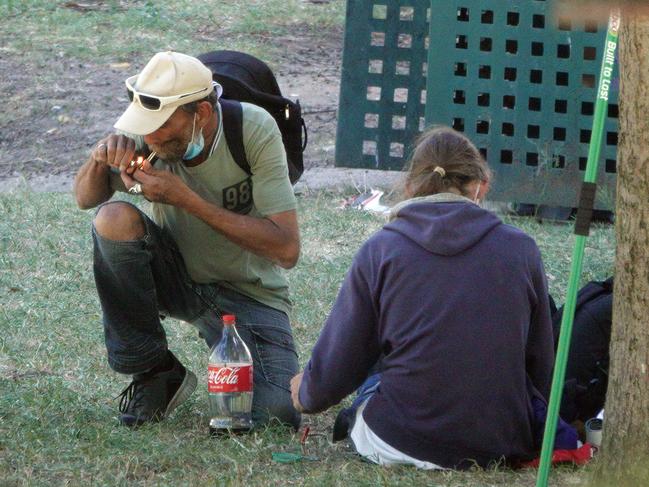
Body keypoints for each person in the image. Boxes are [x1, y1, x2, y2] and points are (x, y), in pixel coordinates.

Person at [290, 127, 555, 469]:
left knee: (377, 364)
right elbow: (542, 367)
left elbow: (342, 360)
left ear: (410, 186)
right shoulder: (522, 249)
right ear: (481, 186)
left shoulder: (381, 249)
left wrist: (306, 392)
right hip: (501, 442)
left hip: (401, 440)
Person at [74, 51, 301, 430]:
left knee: (275, 415)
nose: (151, 137)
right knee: (113, 218)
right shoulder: (147, 129)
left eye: (164, 126)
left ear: (203, 113)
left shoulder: (253, 130)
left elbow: (287, 249)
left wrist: (185, 199)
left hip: (249, 293)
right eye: (145, 126)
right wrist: (101, 158)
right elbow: (85, 199)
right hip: (177, 277)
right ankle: (155, 371)